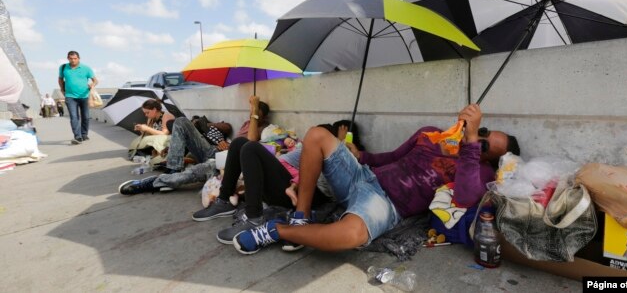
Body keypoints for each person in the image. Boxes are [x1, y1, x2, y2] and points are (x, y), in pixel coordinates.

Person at [232, 104, 520, 254]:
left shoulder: (478, 170)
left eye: (485, 145)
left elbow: (467, 197)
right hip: (364, 177)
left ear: (489, 159)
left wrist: (470, 142)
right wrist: (361, 156)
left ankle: (278, 231)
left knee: (350, 236)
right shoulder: (432, 133)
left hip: (386, 203)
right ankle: (300, 217)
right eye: (483, 133)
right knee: (317, 135)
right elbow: (393, 156)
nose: (479, 138)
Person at [191, 122, 357, 249]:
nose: (311, 140)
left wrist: (343, 142)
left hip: (309, 198)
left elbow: (325, 183)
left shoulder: (342, 159)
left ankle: (254, 218)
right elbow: (282, 162)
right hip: (285, 188)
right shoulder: (305, 148)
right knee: (239, 143)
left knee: (251, 148)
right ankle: (224, 200)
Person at [118, 96, 270, 194]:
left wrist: (255, 109)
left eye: (253, 113)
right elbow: (230, 131)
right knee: (181, 121)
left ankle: (155, 183)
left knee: (197, 171)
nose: (250, 115)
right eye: (250, 112)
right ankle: (173, 169)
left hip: (226, 163)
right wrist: (226, 143)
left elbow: (251, 140)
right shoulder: (246, 123)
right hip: (214, 151)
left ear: (259, 115)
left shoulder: (265, 128)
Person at [58, 51, 98, 144]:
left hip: (84, 96)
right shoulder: (63, 67)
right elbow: (60, 79)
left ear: (79, 58)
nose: (73, 60)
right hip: (70, 96)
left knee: (86, 117)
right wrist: (62, 90)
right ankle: (77, 136)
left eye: (75, 58)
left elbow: (95, 80)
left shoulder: (86, 68)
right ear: (68, 58)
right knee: (74, 117)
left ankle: (84, 134)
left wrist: (92, 85)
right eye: (71, 59)